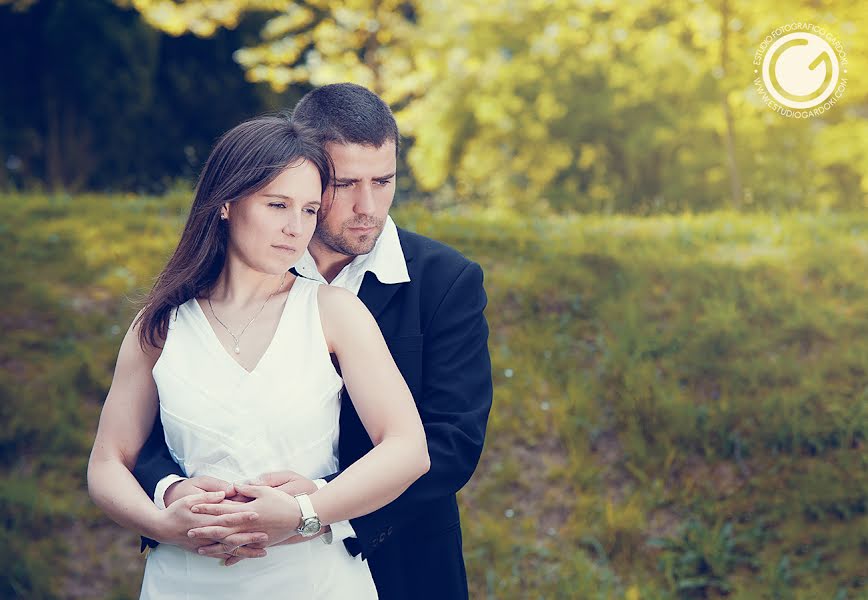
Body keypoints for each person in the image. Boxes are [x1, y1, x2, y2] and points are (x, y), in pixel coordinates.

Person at [134, 83, 494, 599]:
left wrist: (314, 511)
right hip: (218, 555)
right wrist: (176, 492)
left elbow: (452, 443)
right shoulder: (215, 284)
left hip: (400, 558)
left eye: (384, 180)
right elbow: (150, 424)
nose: (368, 205)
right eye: (345, 183)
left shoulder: (446, 280)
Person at [87, 115, 430, 598]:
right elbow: (106, 463)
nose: (296, 228)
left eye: (310, 210)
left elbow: (407, 448)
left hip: (312, 578)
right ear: (226, 203)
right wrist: (163, 524)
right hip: (185, 580)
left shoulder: (334, 311)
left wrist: (304, 514)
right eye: (277, 205)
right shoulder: (159, 325)